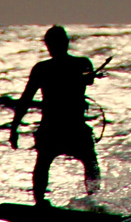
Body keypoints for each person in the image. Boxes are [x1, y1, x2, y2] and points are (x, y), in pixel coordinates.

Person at [7, 25, 102, 206]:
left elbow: (88, 77)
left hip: (74, 128)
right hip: (52, 128)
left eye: (58, 43)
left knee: (90, 163)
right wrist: (14, 128)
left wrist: (14, 129)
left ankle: (93, 200)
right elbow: (26, 99)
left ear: (66, 43)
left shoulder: (81, 63)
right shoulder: (43, 68)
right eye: (52, 43)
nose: (55, 47)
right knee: (43, 164)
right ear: (47, 45)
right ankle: (41, 203)